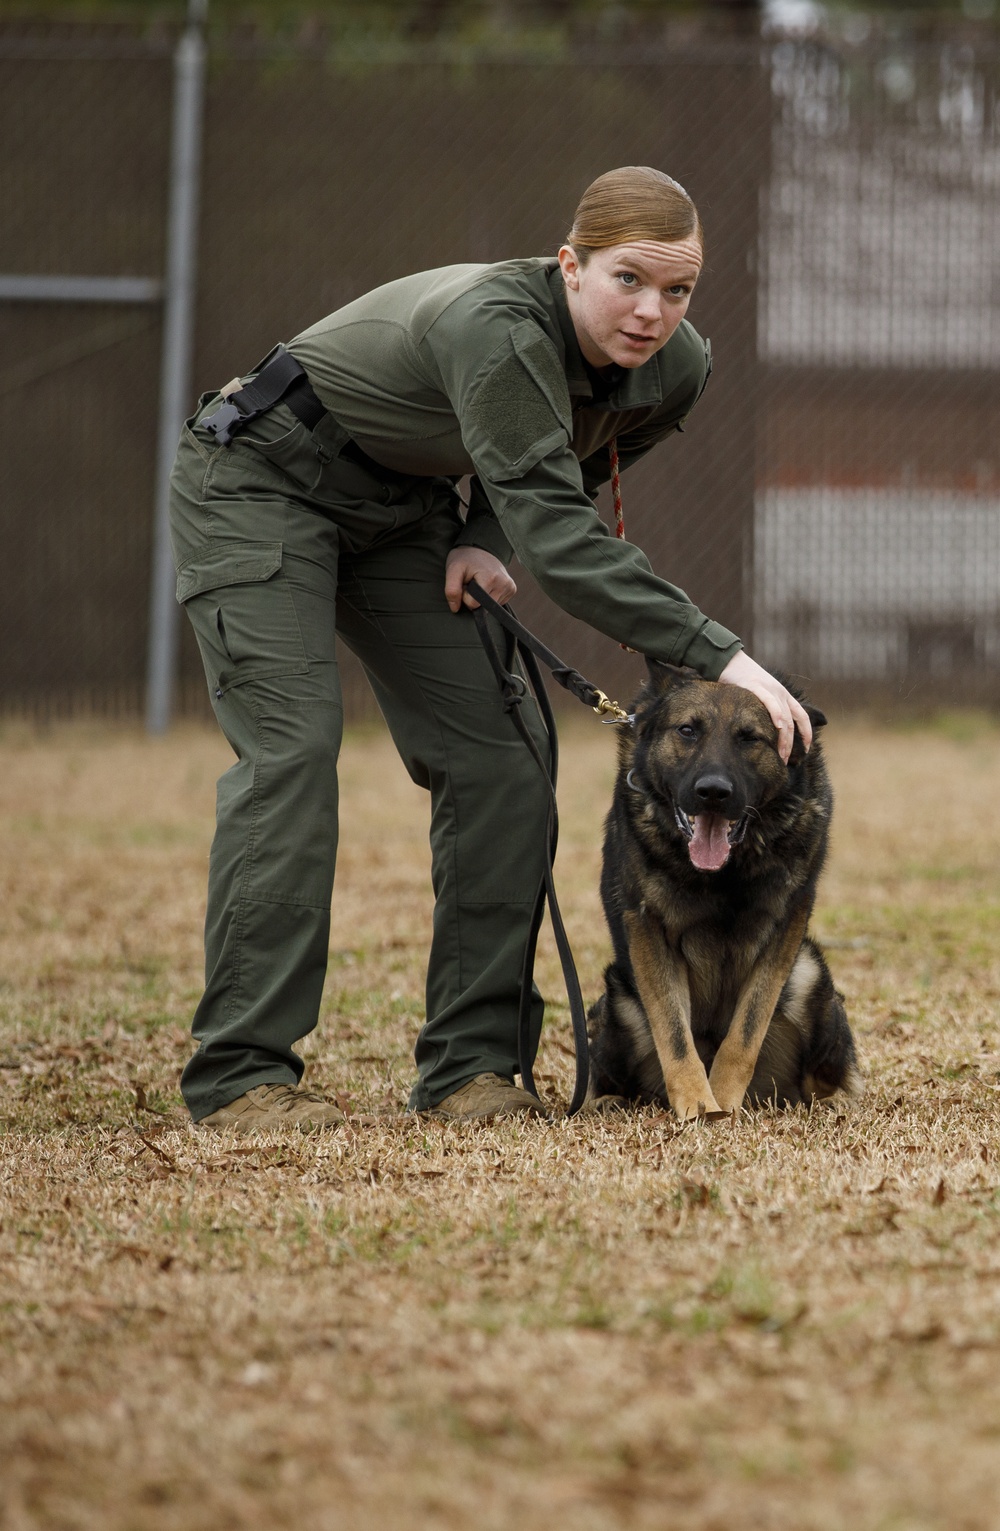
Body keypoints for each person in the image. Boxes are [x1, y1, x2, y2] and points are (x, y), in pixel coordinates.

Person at [169, 165, 812, 1133]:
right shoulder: (500, 328)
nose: (652, 312)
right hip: (263, 479)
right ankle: (243, 1077)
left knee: (504, 757)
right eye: (627, 281)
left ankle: (474, 1070)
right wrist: (724, 655)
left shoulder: (673, 368)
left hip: (405, 514)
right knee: (292, 755)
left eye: (678, 290)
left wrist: (489, 534)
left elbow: (577, 469)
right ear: (569, 265)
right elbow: (566, 541)